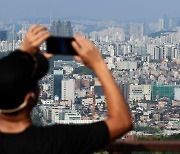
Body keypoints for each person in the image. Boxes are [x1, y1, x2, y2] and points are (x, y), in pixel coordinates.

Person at [0, 25, 133, 154]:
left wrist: (21, 54)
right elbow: (122, 121)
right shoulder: (54, 141)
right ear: (30, 98)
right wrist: (98, 63)